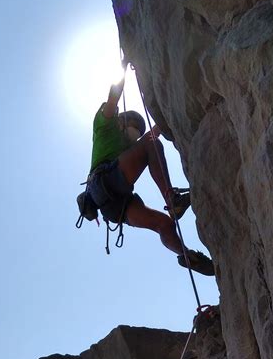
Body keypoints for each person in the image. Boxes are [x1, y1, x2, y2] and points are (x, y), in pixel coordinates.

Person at [87, 77, 215, 276]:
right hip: (103, 181)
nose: (136, 132)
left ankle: (186, 255)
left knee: (164, 224)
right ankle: (172, 199)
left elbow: (156, 130)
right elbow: (113, 99)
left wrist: (168, 112)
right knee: (151, 144)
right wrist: (123, 71)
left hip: (112, 205)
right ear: (122, 121)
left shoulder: (129, 148)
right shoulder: (106, 126)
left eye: (139, 130)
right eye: (134, 126)